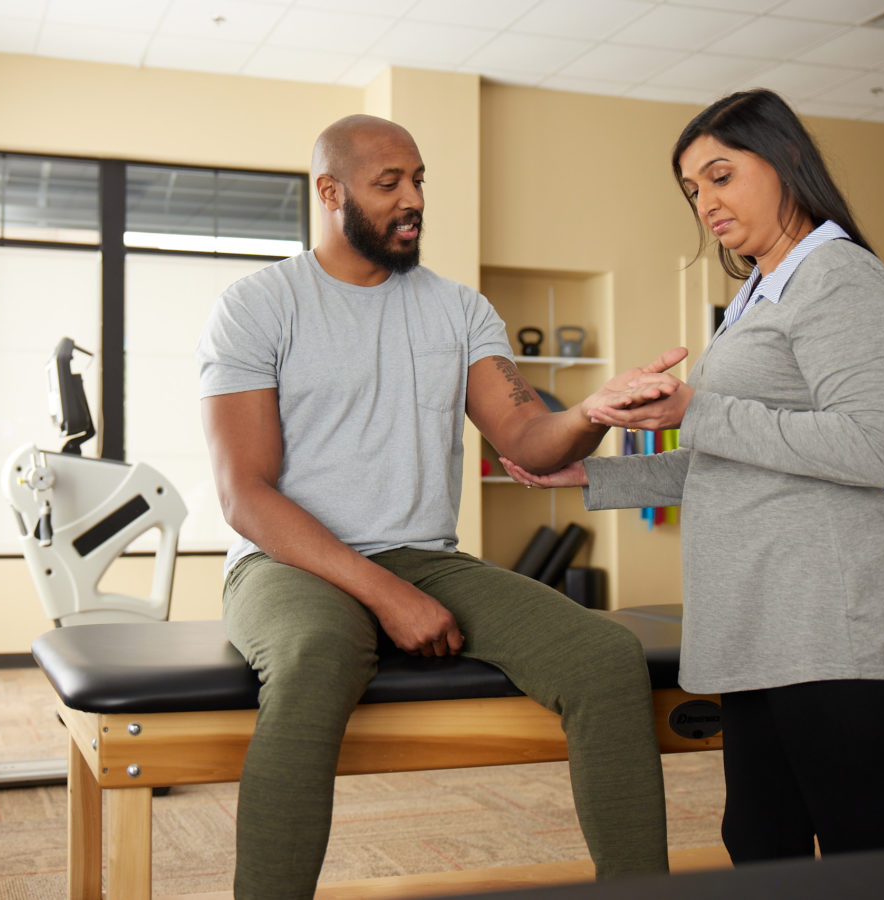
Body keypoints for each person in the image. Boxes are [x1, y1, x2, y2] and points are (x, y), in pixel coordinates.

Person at [196, 114, 682, 899]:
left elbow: (527, 437)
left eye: (418, 180)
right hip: (289, 559)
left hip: (425, 555)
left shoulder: (459, 310)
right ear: (331, 192)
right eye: (389, 184)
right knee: (318, 658)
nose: (412, 198)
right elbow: (244, 495)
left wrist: (593, 413)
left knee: (606, 657)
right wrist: (387, 596)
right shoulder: (258, 305)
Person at [501, 89, 884, 865]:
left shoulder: (839, 277)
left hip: (833, 623)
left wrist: (695, 409)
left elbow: (873, 447)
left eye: (720, 175)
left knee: (865, 861)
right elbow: (734, 463)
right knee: (760, 844)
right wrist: (592, 475)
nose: (706, 202)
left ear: (784, 162)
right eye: (692, 189)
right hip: (761, 620)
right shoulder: (756, 291)